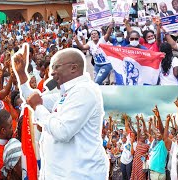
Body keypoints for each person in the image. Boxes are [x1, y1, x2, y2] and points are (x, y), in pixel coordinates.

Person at [13, 45, 109, 179]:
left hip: (80, 175)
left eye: (56, 67)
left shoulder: (84, 91)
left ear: (73, 68)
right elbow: (32, 98)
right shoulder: (65, 94)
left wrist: (38, 107)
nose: (52, 73)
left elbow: (63, 131)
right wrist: (21, 74)